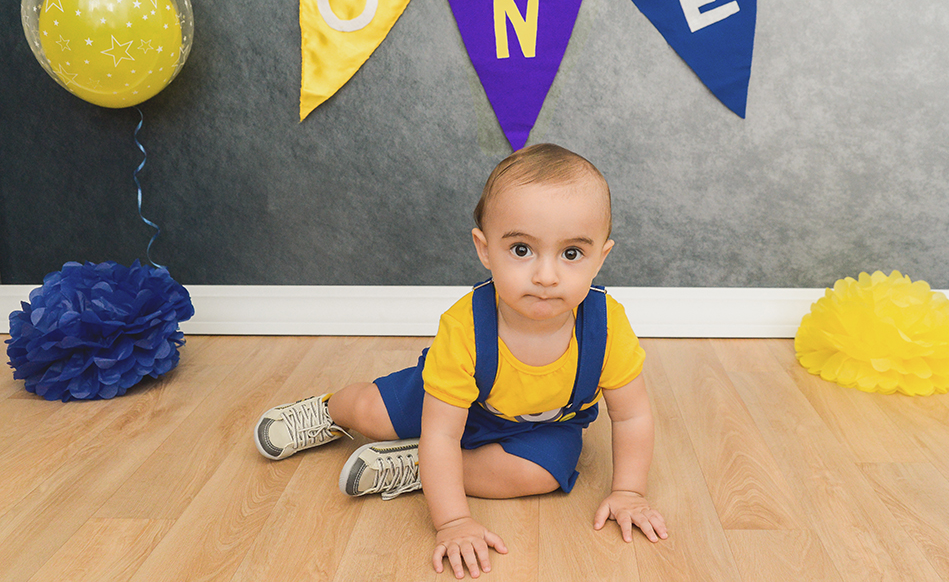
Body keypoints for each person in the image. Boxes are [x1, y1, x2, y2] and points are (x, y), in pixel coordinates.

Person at [254, 143, 667, 579]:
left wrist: (629, 491)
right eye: (522, 250)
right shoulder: (466, 325)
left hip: (545, 424)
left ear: (600, 258)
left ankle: (415, 468)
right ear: (485, 250)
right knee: (371, 413)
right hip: (450, 406)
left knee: (542, 475)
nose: (547, 276)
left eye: (571, 254)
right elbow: (441, 431)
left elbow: (632, 416)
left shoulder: (606, 325)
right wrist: (452, 522)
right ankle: (329, 409)